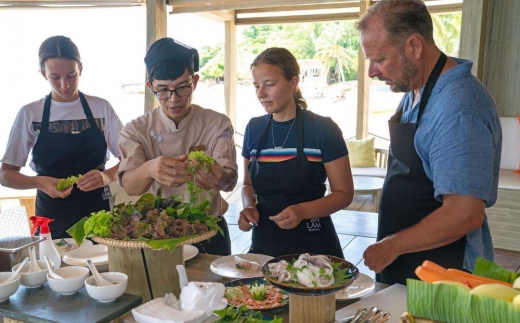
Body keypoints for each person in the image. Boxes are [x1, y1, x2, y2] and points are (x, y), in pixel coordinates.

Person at [357, 0, 502, 285]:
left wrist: (392, 246)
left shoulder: (459, 107)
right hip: (409, 261)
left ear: (414, 46)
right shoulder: (417, 89)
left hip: (444, 272)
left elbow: (464, 213)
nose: (372, 72)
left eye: (380, 59)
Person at [117, 37, 237, 256]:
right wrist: (149, 169)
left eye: (183, 88)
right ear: (150, 86)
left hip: (210, 230)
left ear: (196, 81)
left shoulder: (217, 123)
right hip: (159, 236)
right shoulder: (135, 130)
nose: (173, 99)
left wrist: (219, 177)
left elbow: (230, 180)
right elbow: (130, 186)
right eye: (162, 90)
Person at [0, 35, 123, 239]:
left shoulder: (101, 108)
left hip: (99, 211)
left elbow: (130, 158)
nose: (65, 84)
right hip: (51, 217)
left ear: (80, 69)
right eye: (55, 77)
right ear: (43, 73)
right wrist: (40, 182)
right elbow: (5, 175)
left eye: (71, 75)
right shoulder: (30, 113)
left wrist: (106, 176)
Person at [238, 47, 354, 258]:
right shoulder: (253, 129)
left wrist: (302, 212)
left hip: (316, 249)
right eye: (256, 86)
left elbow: (344, 195)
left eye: (269, 85)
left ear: (293, 82)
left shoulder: (322, 129)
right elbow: (248, 185)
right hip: (264, 248)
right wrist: (248, 207)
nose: (260, 93)